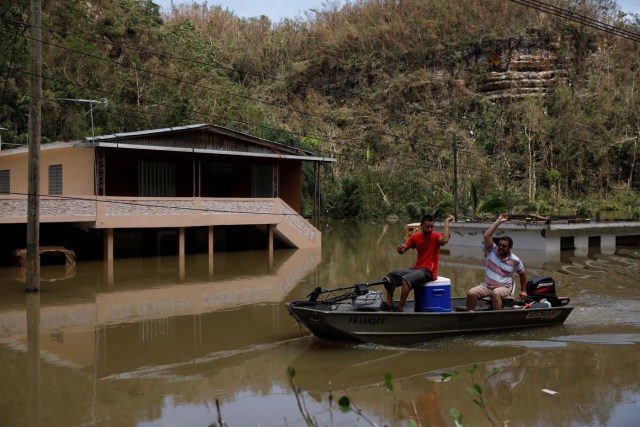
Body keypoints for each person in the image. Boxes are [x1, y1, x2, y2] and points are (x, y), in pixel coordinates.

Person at [383, 214, 455, 312]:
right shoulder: (415, 237)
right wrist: (400, 248)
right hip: (418, 268)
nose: (430, 229)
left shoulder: (436, 236)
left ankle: (399, 308)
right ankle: (389, 303)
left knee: (406, 280)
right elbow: (402, 251)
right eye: (427, 227)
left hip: (429, 271)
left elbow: (445, 240)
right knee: (390, 277)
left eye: (432, 227)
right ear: (421, 226)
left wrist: (446, 221)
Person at [466, 213, 527, 311]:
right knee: (471, 293)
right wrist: (499, 221)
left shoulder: (515, 260)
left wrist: (523, 291)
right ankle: (469, 316)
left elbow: (522, 274)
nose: (500, 247)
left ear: (510, 247)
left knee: (496, 293)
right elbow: (487, 235)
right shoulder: (492, 250)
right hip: (486, 286)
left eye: (504, 246)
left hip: (504, 288)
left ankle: (496, 316)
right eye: (500, 245)